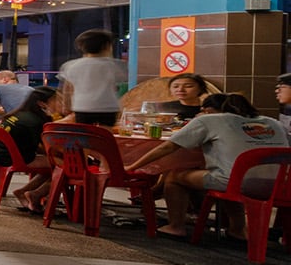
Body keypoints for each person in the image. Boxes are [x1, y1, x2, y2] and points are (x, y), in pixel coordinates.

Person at [131, 93, 290, 239]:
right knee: (233, 175)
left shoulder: (210, 120)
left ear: (213, 110)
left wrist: (132, 166)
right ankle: (237, 229)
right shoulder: (273, 123)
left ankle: (175, 226)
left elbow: (167, 147)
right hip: (276, 186)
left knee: (174, 176)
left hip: (234, 182)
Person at [0, 86, 61, 214]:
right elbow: (44, 147)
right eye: (56, 100)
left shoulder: (20, 114)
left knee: (57, 164)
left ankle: (24, 192)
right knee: (64, 167)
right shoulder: (36, 121)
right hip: (15, 158)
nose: (59, 103)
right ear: (42, 103)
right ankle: (36, 194)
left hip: (2, 154)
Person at [57, 29, 127, 127]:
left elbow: (67, 89)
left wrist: (66, 106)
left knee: (86, 136)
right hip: (108, 108)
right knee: (105, 135)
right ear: (106, 47)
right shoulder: (114, 65)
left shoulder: (71, 65)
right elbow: (122, 79)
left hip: (82, 107)